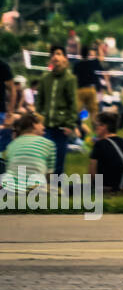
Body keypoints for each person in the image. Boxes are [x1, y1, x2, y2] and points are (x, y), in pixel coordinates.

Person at [35, 45, 81, 174]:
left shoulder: (70, 79)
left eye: (59, 54)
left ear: (65, 59)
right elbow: (39, 101)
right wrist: (38, 120)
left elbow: (73, 103)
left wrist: (70, 124)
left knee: (59, 156)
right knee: (45, 155)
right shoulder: (45, 78)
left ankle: (58, 185)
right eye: (53, 54)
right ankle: (43, 183)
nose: (55, 57)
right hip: (46, 125)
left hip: (62, 125)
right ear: (50, 59)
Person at [1, 112, 55, 195]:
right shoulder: (49, 144)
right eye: (41, 124)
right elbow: (50, 174)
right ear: (34, 125)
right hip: (36, 185)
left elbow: (8, 168)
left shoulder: (11, 145)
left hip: (11, 186)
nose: (44, 127)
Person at [88, 111, 123, 193]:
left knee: (68, 189)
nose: (95, 128)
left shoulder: (100, 144)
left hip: (105, 188)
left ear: (104, 127)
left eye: (96, 125)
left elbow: (91, 174)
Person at [73, 41, 104, 128]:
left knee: (76, 111)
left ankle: (76, 128)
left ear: (80, 54)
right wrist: (99, 47)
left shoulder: (77, 64)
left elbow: (74, 77)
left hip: (80, 90)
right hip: (91, 90)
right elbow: (101, 58)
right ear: (88, 53)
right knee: (94, 113)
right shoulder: (92, 63)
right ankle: (96, 130)